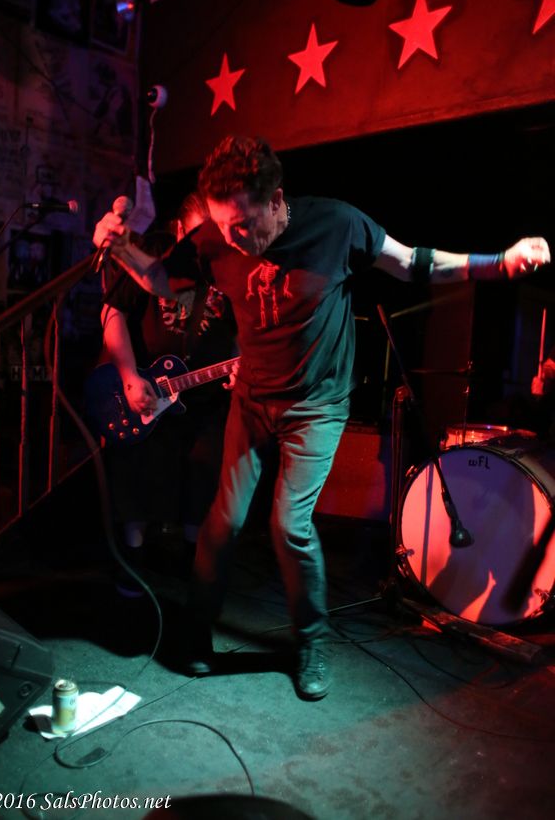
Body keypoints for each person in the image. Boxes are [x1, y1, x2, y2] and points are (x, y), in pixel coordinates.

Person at [93, 135, 550, 698]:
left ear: (275, 200)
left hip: (316, 406)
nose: (234, 240)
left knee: (290, 525)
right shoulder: (214, 238)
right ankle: (195, 633)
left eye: (245, 226)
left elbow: (414, 263)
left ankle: (312, 641)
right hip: (252, 401)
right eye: (225, 227)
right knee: (222, 522)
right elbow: (162, 279)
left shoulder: (336, 225)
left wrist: (499, 263)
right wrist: (121, 248)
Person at [97, 192, 237, 595]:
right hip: (147, 390)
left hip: (205, 398)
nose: (205, 248)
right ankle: (133, 559)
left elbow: (241, 337)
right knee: (138, 469)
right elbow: (113, 312)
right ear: (179, 230)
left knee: (205, 475)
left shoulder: (231, 267)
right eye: (197, 236)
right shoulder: (157, 254)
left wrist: (239, 368)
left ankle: (192, 562)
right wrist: (129, 376)